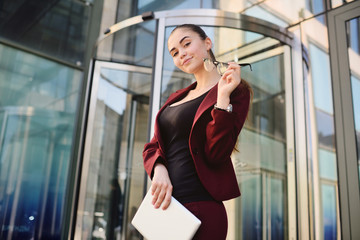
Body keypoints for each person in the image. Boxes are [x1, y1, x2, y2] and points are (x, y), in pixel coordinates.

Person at [143, 24, 252, 240]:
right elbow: (154, 145)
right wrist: (159, 169)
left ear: (207, 43)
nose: (181, 54)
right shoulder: (176, 97)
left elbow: (217, 153)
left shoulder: (235, 90)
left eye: (186, 44)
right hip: (166, 206)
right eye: (174, 53)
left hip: (202, 208)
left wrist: (222, 100)